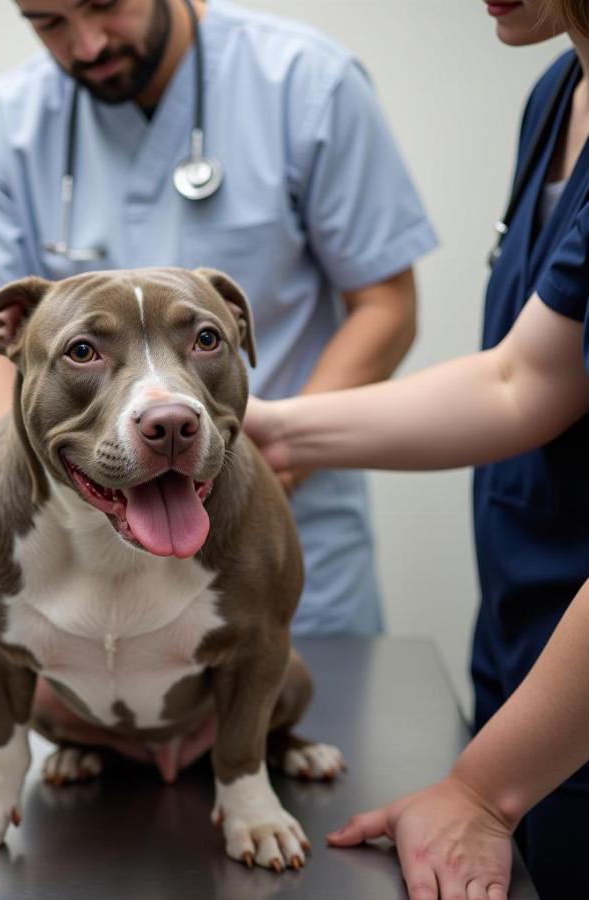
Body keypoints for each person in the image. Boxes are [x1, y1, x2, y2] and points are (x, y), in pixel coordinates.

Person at [0, 0, 438, 638]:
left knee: (286, 712)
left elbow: (386, 307)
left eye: (104, 6)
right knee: (93, 728)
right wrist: (56, 493)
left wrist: (270, 468)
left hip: (273, 511)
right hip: (79, 546)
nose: (86, 45)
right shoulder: (8, 121)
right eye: (48, 22)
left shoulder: (307, 82)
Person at [243, 3, 589, 895]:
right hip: (533, 656)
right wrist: (270, 430)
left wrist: (481, 792)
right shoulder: (562, 88)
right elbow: (524, 379)